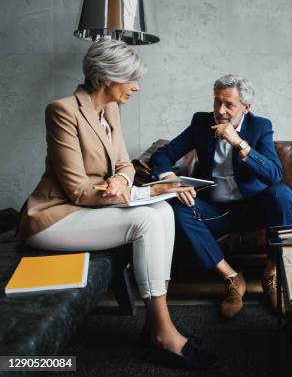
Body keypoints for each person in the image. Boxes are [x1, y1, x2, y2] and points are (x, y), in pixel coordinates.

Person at [17, 39, 216, 370]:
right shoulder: (63, 111)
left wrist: (123, 181)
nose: (136, 87)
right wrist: (141, 193)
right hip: (55, 217)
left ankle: (154, 325)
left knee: (164, 210)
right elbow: (78, 190)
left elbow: (125, 164)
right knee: (148, 219)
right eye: (131, 79)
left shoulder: (110, 109)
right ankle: (163, 332)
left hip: (93, 209)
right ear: (107, 77)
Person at [149, 74, 292, 319]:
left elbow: (275, 174)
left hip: (253, 209)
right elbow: (162, 155)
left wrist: (240, 144)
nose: (220, 111)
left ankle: (272, 273)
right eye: (217, 102)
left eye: (229, 105)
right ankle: (232, 278)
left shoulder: (260, 127)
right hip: (217, 211)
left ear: (246, 108)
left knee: (282, 194)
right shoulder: (200, 123)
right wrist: (170, 180)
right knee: (176, 207)